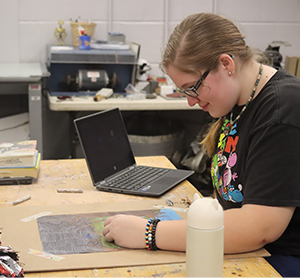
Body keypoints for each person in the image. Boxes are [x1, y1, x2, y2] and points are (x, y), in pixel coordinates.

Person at [103, 13, 300, 276]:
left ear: (226, 64)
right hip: (242, 247)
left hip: (280, 259)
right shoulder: (238, 100)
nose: (190, 102)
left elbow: (259, 228)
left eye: (192, 88)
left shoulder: (281, 112)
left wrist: (150, 233)